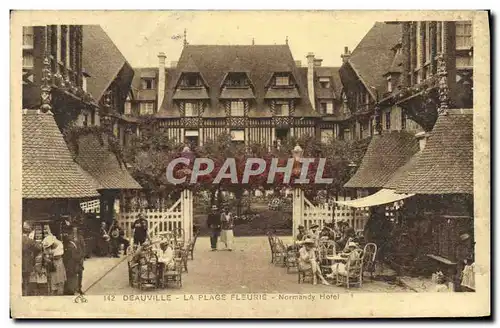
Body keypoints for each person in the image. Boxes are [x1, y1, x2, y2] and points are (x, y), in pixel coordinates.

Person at [22, 222, 41, 296]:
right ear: (29, 232)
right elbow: (39, 248)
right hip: (27, 263)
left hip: (18, 263)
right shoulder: (29, 241)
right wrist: (33, 254)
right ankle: (25, 294)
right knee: (26, 280)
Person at [62, 230, 83, 295]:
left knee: (70, 278)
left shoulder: (68, 246)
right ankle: (73, 289)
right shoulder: (71, 245)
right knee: (72, 277)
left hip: (70, 265)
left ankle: (71, 290)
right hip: (73, 265)